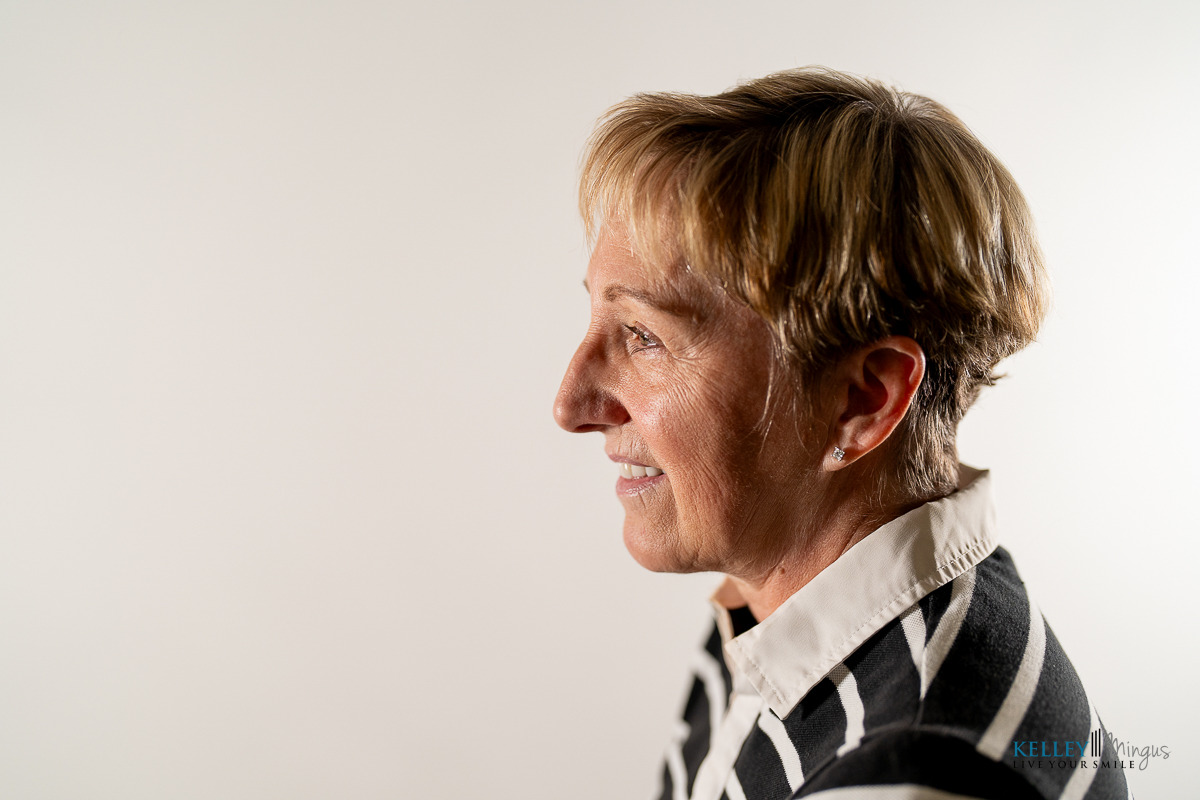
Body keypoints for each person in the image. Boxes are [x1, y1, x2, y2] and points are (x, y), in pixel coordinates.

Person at [553, 68, 1130, 800]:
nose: (571, 404)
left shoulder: (914, 773)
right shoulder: (769, 602)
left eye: (644, 336)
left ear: (863, 401)